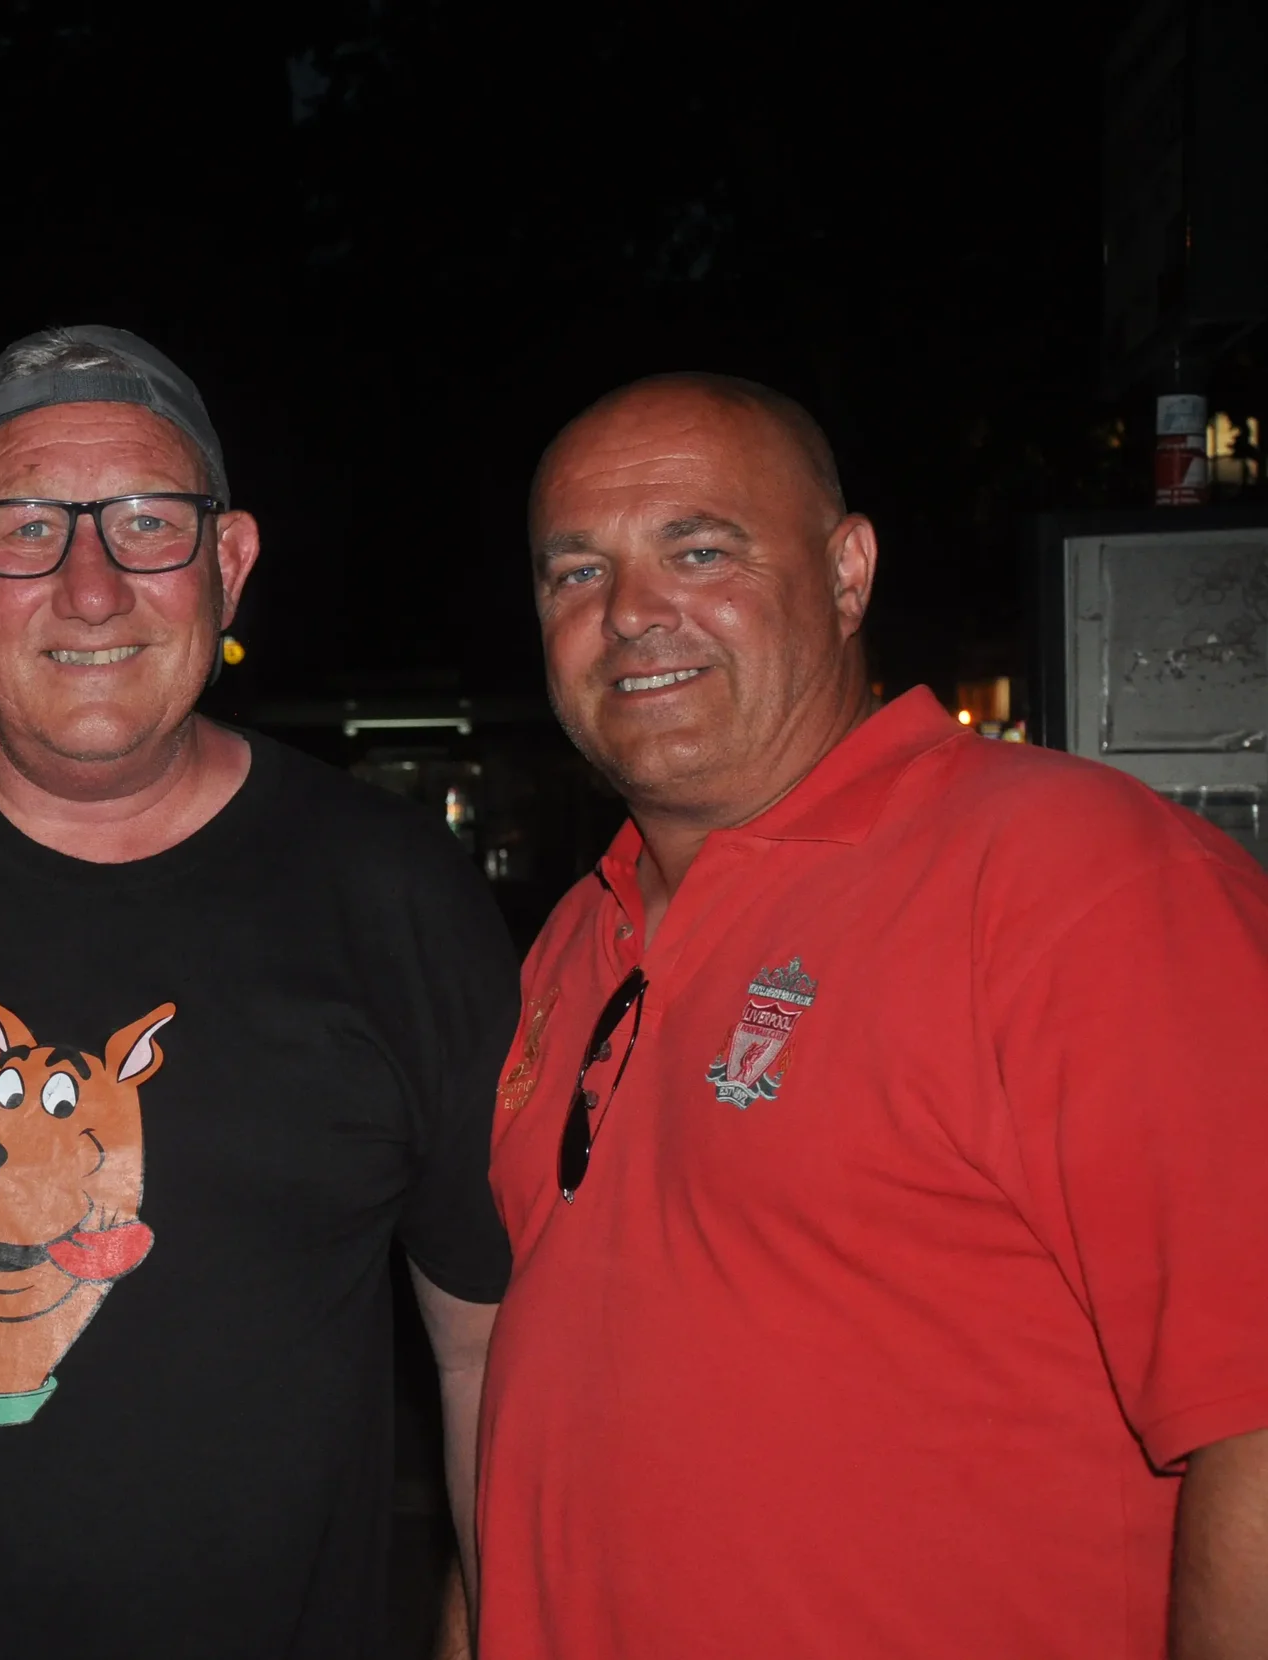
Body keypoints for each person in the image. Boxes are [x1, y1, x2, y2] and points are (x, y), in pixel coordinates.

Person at [0, 326, 517, 1659]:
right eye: (23, 528)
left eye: (146, 524)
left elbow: (487, 1353)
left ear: (229, 565)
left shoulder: (391, 895)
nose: (90, 588)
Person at [480, 371, 1268, 1658]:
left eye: (698, 549)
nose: (628, 613)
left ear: (847, 574)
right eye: (575, 572)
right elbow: (540, 1409)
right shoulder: (575, 937)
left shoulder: (1077, 879)